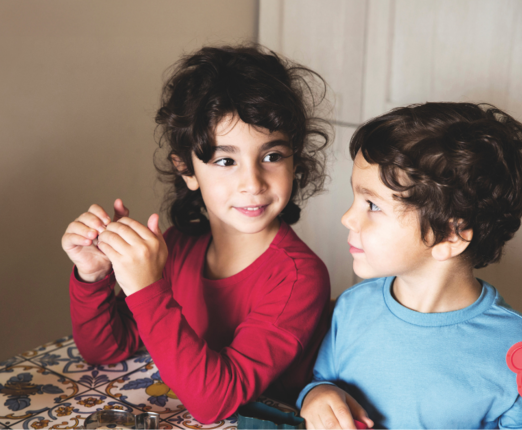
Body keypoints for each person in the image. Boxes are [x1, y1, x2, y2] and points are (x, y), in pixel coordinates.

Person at [61, 45, 331, 423]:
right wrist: (95, 276)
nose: (253, 183)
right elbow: (105, 350)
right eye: (226, 160)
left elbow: (214, 404)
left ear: (295, 159)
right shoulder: (177, 246)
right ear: (187, 170)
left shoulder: (298, 277)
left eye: (272, 156)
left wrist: (146, 289)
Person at [297, 102, 522, 429]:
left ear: (449, 235)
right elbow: (320, 380)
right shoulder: (352, 307)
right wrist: (318, 394)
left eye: (372, 205)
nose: (348, 217)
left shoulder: (517, 348)